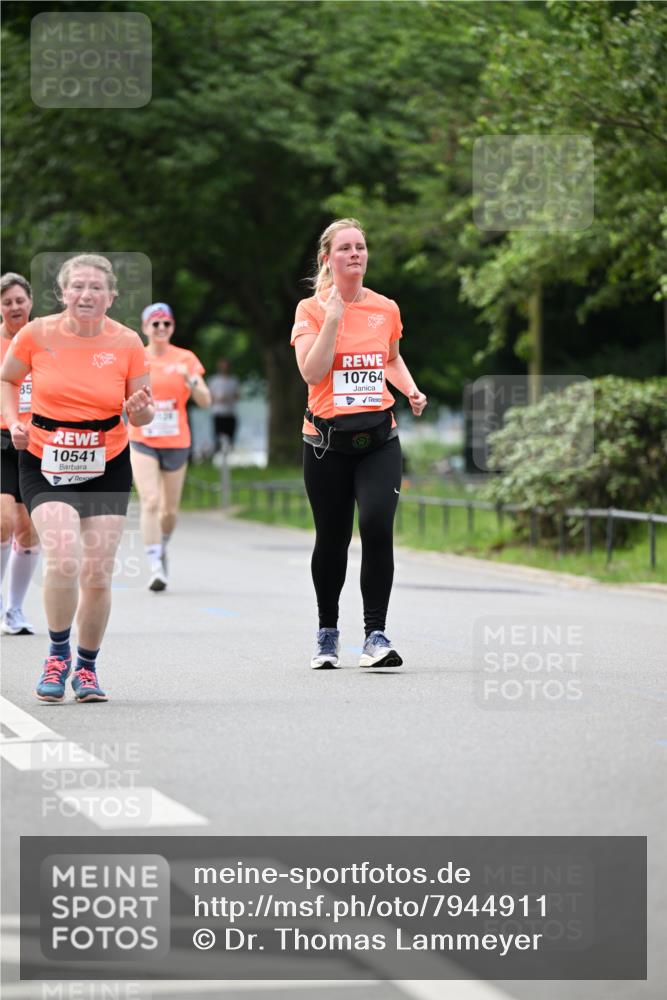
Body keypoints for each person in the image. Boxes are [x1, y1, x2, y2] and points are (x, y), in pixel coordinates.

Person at [0, 253, 154, 703]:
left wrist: (141, 411)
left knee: (97, 573)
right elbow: (7, 380)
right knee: (63, 555)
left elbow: (141, 411)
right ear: (63, 293)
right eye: (78, 286)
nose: (86, 294)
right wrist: (14, 421)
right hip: (45, 460)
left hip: (107, 462)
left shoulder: (127, 342)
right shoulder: (36, 333)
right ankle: (57, 654)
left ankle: (86, 668)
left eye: (96, 287)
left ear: (112, 296)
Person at [291, 218, 427, 671]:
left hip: (378, 440)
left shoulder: (385, 308)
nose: (355, 254)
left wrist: (410, 389)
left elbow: (390, 359)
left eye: (361, 247)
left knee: (375, 525)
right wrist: (333, 317)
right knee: (332, 539)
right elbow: (312, 372)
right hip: (326, 443)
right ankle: (327, 633)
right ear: (327, 258)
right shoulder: (310, 310)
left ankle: (375, 635)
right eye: (345, 248)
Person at [129, 302, 210, 592]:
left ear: (172, 327)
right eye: (155, 323)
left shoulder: (186, 359)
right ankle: (154, 565)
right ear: (145, 327)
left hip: (176, 441)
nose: (161, 328)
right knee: (150, 500)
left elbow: (205, 401)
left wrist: (194, 384)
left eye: (166, 323)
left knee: (169, 511)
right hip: (142, 439)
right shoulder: (136, 358)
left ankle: (162, 545)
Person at [0, 273, 41, 634]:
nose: (14, 307)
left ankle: (14, 610)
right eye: (7, 302)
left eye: (19, 300)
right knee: (3, 521)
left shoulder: (45, 340)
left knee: (29, 530)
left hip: (37, 442)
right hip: (1, 439)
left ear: (30, 302)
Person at [208, 357, 240, 453]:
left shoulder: (234, 380)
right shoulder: (213, 380)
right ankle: (218, 454)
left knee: (230, 438)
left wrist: (229, 398)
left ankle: (228, 455)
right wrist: (218, 399)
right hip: (218, 413)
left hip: (230, 412)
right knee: (218, 438)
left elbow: (238, 396)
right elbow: (208, 397)